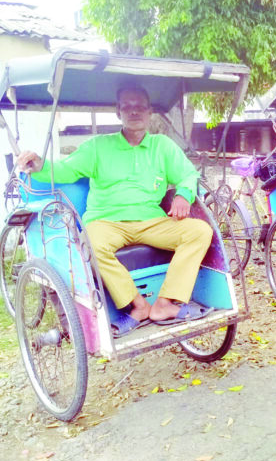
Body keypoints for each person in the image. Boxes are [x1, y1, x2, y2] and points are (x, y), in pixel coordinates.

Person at [17, 84, 213, 336]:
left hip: (151, 220)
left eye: (140, 107)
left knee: (199, 231)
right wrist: (41, 164)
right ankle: (138, 305)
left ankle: (165, 303)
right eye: (127, 107)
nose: (134, 112)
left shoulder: (162, 146)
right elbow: (67, 169)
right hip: (106, 221)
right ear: (118, 111)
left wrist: (183, 195)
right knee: (92, 243)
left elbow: (187, 174)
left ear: (149, 111)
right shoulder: (98, 146)